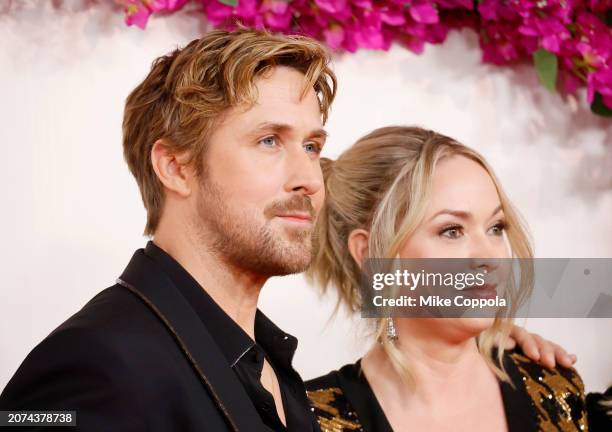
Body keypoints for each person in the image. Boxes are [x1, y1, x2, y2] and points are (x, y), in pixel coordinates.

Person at [0, 30, 575, 431]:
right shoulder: (97, 359)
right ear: (175, 167)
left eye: (313, 146)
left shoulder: (273, 370)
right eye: (269, 141)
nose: (307, 177)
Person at [305, 126, 588, 431]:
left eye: (496, 227)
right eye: (452, 231)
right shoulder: (308, 419)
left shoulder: (554, 390)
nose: (489, 256)